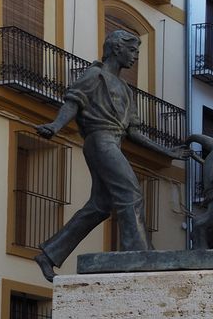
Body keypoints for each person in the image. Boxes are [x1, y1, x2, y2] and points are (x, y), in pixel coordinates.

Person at [33, 30, 190, 281]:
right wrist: (55, 125)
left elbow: (134, 132)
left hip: (114, 143)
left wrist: (167, 152)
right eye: (133, 50)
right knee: (131, 193)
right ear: (117, 49)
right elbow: (73, 103)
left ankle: (49, 254)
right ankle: (138, 253)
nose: (136, 57)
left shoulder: (127, 90)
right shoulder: (95, 75)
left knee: (99, 206)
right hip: (99, 140)